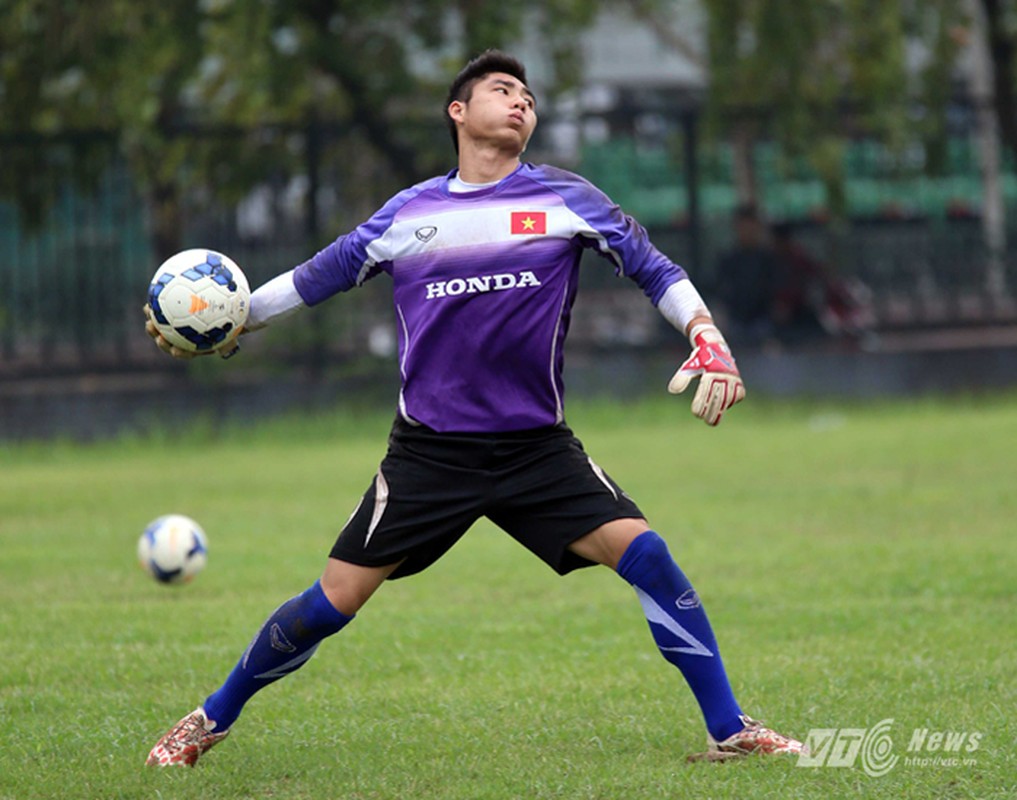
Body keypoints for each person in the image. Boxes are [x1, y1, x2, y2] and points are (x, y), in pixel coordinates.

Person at [143, 50, 805, 768]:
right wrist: (232, 320)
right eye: (501, 90)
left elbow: (654, 267)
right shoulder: (408, 213)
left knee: (647, 556)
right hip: (430, 454)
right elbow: (315, 278)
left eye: (527, 94)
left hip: (536, 449)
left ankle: (727, 728)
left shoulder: (565, 198)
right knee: (331, 603)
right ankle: (208, 719)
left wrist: (705, 334)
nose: (520, 101)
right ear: (458, 113)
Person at [712, 204, 782, 347]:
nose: (747, 231)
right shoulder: (728, 260)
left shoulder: (768, 259)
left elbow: (777, 292)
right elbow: (720, 291)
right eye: (743, 226)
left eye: (751, 226)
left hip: (764, 323)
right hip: (735, 323)